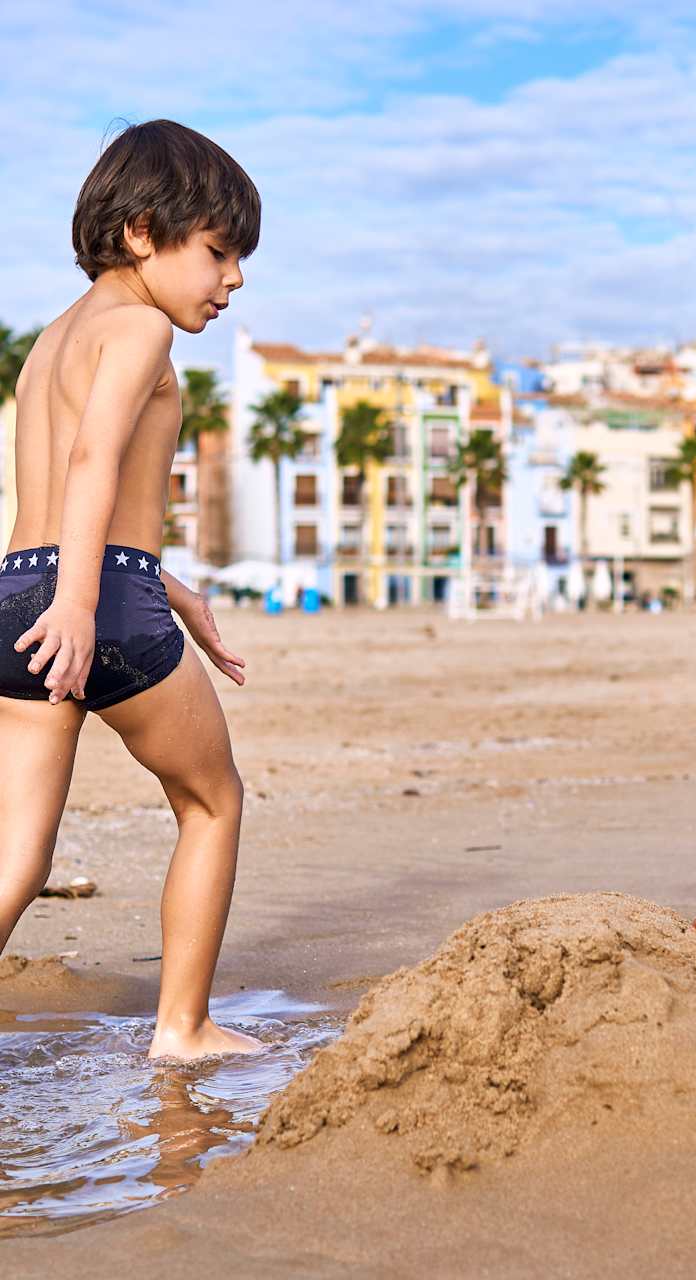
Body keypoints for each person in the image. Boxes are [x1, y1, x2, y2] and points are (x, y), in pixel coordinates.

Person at [0, 119, 261, 1059]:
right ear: (143, 232)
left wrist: (171, 586)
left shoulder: (49, 343)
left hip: (17, 591)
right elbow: (93, 459)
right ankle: (183, 1028)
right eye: (220, 253)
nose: (233, 280)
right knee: (212, 800)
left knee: (15, 859)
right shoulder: (143, 325)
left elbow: (73, 489)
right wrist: (88, 602)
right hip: (90, 598)